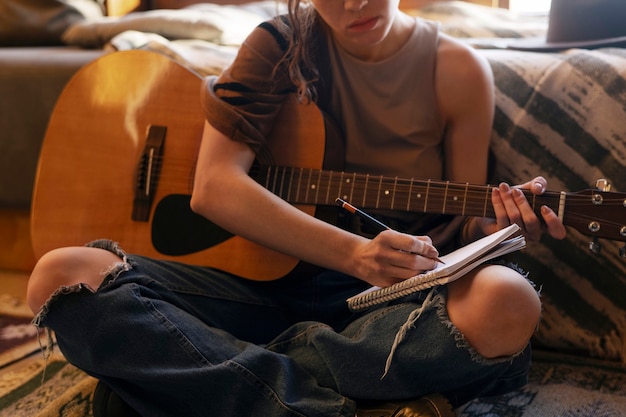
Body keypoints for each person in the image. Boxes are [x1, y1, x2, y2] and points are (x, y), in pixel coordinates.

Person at [26, 0, 568, 416]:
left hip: (384, 308)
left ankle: (202, 371)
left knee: (508, 299)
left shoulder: (458, 71)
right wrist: (356, 253)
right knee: (61, 276)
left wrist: (498, 226)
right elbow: (213, 187)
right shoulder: (280, 45)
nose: (354, 5)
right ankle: (329, 400)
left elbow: (464, 220)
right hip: (254, 293)